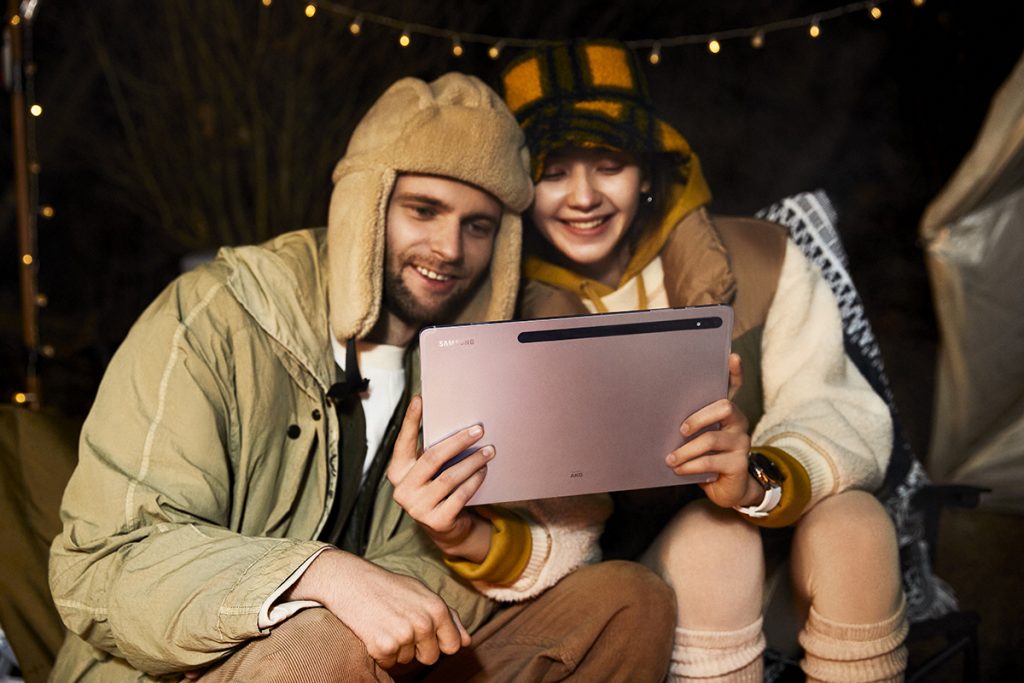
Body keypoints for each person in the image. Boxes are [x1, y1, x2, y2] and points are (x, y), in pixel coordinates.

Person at [48, 72, 675, 682]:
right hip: (193, 665)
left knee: (626, 601)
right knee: (322, 644)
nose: (449, 249)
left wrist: (450, 541)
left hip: (404, 654)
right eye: (423, 210)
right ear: (367, 206)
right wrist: (322, 575)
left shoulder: (479, 357)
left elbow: (561, 542)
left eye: (477, 226)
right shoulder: (211, 318)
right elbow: (104, 565)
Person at [499, 41, 908, 682]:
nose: (583, 197)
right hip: (649, 587)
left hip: (790, 560)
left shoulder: (763, 255)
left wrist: (758, 477)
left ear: (648, 170)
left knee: (857, 523)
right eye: (553, 172)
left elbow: (835, 405)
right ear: (521, 188)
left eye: (608, 164)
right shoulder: (506, 312)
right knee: (718, 539)